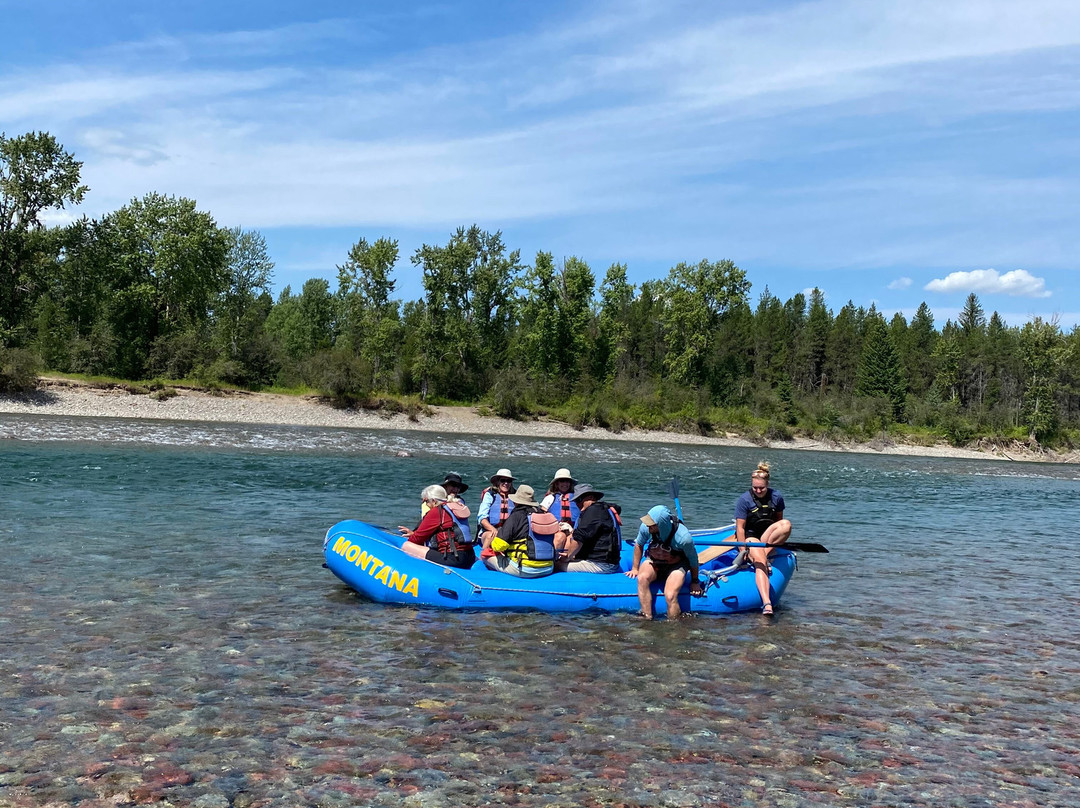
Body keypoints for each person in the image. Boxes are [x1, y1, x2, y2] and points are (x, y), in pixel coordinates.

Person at [734, 461, 792, 615]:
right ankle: (767, 603)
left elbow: (779, 521)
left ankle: (764, 554)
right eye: (755, 488)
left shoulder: (776, 497)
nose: (758, 490)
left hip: (766, 537)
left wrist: (773, 542)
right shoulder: (744, 499)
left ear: (768, 485)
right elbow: (740, 528)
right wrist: (742, 550)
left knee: (786, 524)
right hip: (750, 537)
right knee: (760, 562)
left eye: (762, 488)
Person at [626, 505, 703, 619]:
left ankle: (673, 625)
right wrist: (635, 568)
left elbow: (693, 559)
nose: (648, 526)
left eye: (651, 524)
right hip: (654, 561)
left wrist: (695, 581)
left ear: (661, 524)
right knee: (642, 578)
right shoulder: (645, 528)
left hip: (676, 565)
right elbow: (639, 544)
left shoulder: (683, 537)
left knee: (670, 595)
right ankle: (646, 617)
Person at [484, 485, 559, 578]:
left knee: (485, 556)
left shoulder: (516, 516)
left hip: (525, 569)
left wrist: (491, 543)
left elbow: (499, 545)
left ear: (516, 502)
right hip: (548, 568)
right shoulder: (542, 514)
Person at [398, 485, 476, 569]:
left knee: (407, 545)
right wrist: (414, 533)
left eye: (426, 501)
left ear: (434, 501)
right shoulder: (455, 507)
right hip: (469, 556)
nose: (426, 505)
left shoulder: (437, 511)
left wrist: (413, 536)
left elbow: (417, 539)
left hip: (453, 558)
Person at [557, 484, 622, 573]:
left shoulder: (592, 511)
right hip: (608, 562)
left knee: (556, 565)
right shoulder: (604, 509)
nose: (577, 504)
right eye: (576, 501)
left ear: (591, 497)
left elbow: (579, 539)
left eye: (579, 500)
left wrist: (567, 557)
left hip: (600, 565)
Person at [477, 468, 516, 549]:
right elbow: (482, 517)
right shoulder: (490, 495)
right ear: (497, 482)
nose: (506, 483)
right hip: (488, 532)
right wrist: (493, 530)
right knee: (491, 535)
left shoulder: (515, 497)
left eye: (508, 481)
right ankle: (483, 556)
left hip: (507, 533)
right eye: (503, 480)